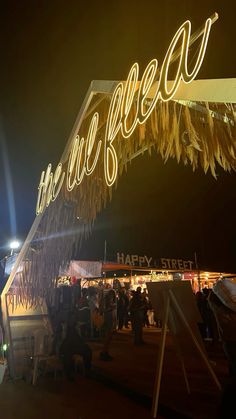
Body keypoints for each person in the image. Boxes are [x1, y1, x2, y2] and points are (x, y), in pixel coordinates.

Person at [59, 314, 92, 381]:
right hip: (67, 346)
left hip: (76, 345)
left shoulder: (76, 327)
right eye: (72, 319)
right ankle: (67, 374)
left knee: (87, 350)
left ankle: (87, 371)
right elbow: (62, 339)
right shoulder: (64, 327)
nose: (73, 320)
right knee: (67, 353)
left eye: (74, 319)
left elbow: (80, 338)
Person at [99, 289, 116, 361]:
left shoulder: (107, 300)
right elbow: (102, 311)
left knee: (109, 337)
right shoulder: (105, 300)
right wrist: (110, 309)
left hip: (109, 318)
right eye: (111, 295)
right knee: (108, 336)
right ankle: (104, 352)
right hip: (107, 318)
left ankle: (105, 352)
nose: (112, 297)